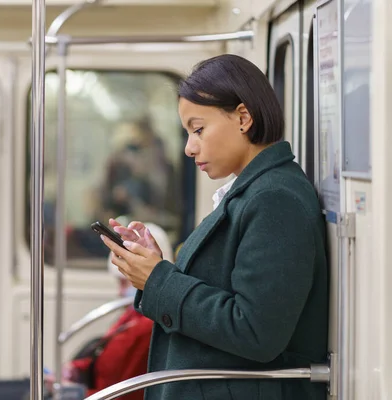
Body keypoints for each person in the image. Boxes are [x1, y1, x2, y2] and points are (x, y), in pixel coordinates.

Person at [99, 54, 329, 400]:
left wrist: (158, 279)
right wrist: (156, 263)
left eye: (198, 130)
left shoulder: (275, 200)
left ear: (242, 117)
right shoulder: (251, 193)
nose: (190, 148)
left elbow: (255, 331)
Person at [62, 222, 174, 400]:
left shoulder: (147, 327)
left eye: (124, 282)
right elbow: (103, 355)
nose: (120, 291)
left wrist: (74, 393)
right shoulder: (133, 314)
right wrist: (76, 368)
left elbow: (125, 393)